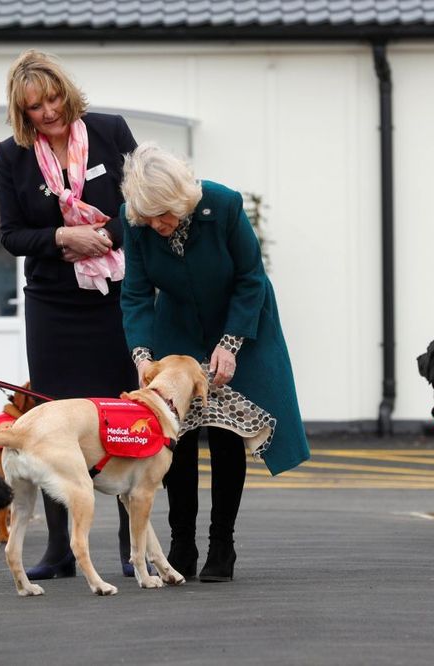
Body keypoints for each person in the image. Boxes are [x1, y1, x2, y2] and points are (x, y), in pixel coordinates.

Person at [119, 142, 310, 581]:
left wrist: (229, 344)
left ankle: (222, 545)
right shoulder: (138, 220)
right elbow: (135, 292)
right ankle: (180, 543)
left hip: (237, 318)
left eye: (164, 216)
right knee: (177, 435)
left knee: (225, 433)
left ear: (182, 201)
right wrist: (143, 354)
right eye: (148, 219)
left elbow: (250, 279)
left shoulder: (223, 204)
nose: (157, 226)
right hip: (178, 325)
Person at [0, 49, 140, 579]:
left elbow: (140, 204)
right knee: (54, 421)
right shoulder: (12, 155)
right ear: (22, 110)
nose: (48, 112)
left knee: (122, 415)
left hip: (116, 299)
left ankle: (133, 546)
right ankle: (61, 550)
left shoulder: (109, 131)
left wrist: (102, 237)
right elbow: (10, 234)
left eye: (53, 99)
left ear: (66, 93)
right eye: (34, 107)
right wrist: (61, 236)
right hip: (54, 305)